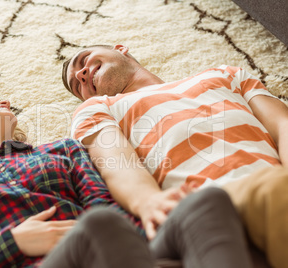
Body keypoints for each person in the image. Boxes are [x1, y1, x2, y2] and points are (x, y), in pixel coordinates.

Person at [0, 92, 252, 267]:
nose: (4, 99)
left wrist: (166, 215)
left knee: (205, 202)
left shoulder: (62, 150)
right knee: (98, 226)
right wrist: (13, 243)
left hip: (115, 252)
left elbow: (106, 207)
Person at [63, 44, 288, 268]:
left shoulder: (226, 74)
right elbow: (116, 162)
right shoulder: (98, 108)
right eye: (76, 85)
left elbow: (282, 124)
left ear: (120, 49)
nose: (81, 75)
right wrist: (148, 201)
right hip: (204, 211)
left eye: (83, 60)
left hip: (274, 191)